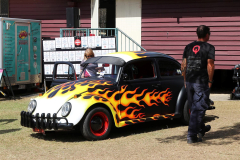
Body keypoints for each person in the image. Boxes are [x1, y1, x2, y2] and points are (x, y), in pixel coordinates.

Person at [181, 25, 215, 144]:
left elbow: (183, 65)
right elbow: (210, 65)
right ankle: (191, 136)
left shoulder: (188, 47)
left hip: (189, 81)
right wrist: (210, 81)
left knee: (193, 107)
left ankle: (201, 128)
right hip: (201, 83)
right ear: (207, 35)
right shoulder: (209, 47)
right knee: (198, 109)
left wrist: (185, 80)